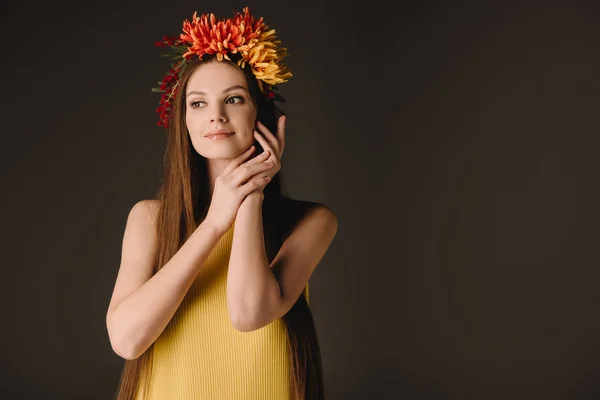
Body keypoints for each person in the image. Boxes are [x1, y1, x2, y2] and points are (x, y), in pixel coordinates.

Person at [105, 7, 338, 400]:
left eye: (233, 99)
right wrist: (214, 222)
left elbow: (248, 314)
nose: (215, 115)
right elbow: (127, 341)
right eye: (197, 104)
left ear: (260, 114)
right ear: (183, 120)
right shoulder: (148, 218)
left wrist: (249, 195)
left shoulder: (311, 221)